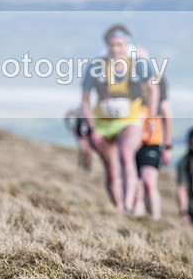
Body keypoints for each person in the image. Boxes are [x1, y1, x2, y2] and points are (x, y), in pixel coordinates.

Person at [81, 24, 158, 212]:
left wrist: (152, 118)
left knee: (126, 155)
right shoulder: (96, 66)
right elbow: (84, 100)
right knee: (112, 170)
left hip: (129, 120)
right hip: (103, 123)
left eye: (120, 45)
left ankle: (128, 204)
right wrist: (91, 129)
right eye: (112, 45)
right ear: (107, 45)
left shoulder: (138, 64)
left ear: (126, 45)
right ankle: (117, 207)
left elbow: (153, 88)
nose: (116, 49)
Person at [133, 47, 172, 220]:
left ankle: (155, 220)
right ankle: (138, 223)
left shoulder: (159, 81)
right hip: (131, 140)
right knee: (136, 186)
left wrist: (167, 145)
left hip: (152, 139)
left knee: (149, 182)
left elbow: (166, 113)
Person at [64, 108, 93, 172]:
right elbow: (68, 115)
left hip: (89, 136)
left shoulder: (91, 111)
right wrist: (70, 127)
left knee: (88, 151)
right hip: (81, 135)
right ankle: (81, 165)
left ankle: (87, 167)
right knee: (82, 149)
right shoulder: (79, 111)